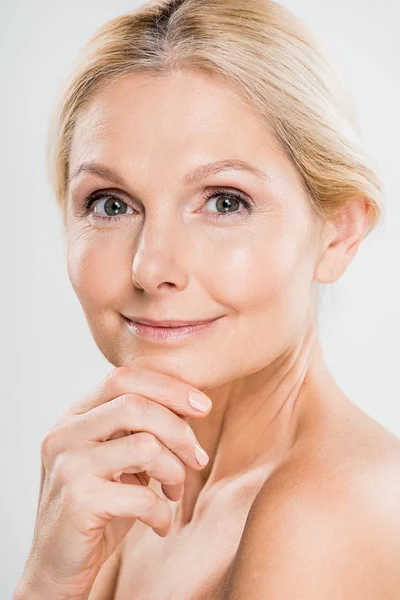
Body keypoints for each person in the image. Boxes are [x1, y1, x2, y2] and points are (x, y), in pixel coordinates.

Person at [14, 0, 400, 598]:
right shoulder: (139, 498)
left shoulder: (322, 513)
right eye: (111, 204)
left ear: (338, 231)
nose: (152, 268)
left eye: (225, 201)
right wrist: (50, 578)